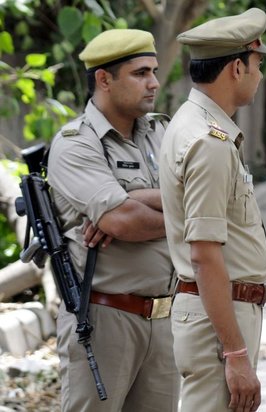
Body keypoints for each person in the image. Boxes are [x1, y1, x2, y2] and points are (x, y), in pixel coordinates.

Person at [47, 29, 179, 411]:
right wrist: (186, 211)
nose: (154, 82)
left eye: (153, 71)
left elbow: (211, 195)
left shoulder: (161, 132)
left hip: (164, 318)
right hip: (104, 320)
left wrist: (138, 201)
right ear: (104, 79)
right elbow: (124, 221)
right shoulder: (76, 143)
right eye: (140, 73)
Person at [158, 8, 266, 412]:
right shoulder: (208, 141)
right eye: (258, 64)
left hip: (217, 313)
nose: (260, 75)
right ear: (237, 69)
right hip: (217, 319)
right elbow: (205, 255)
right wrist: (235, 352)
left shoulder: (193, 124)